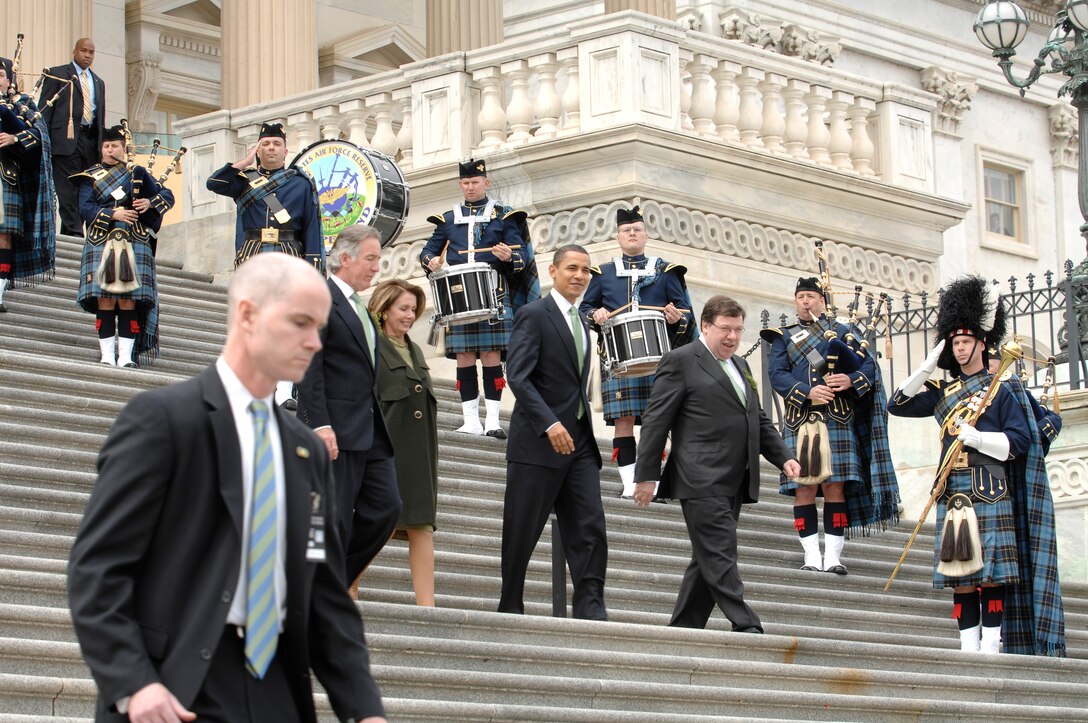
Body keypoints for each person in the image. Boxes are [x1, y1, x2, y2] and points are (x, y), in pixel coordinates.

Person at [67, 253, 387, 723]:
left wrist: (365, 711)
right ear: (247, 314)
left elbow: (324, 593)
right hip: (176, 690)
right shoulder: (162, 421)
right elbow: (97, 569)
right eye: (300, 322)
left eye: (319, 327)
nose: (314, 343)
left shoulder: (307, 451)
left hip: (278, 690)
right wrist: (134, 684)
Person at [888, 275, 1065, 656]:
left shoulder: (1002, 388)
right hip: (954, 490)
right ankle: (968, 647)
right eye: (955, 343)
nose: (961, 348)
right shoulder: (942, 393)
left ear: (982, 343)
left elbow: (1020, 441)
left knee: (992, 576)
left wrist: (979, 439)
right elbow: (897, 404)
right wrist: (926, 366)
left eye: (966, 341)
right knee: (961, 575)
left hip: (991, 487)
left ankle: (992, 644)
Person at [634, 295, 800, 633]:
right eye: (725, 329)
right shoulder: (680, 360)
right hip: (699, 477)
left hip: (735, 477)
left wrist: (784, 457)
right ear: (706, 325)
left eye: (739, 329)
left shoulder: (741, 365)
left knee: (707, 556)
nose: (733, 337)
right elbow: (655, 420)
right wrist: (647, 475)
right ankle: (745, 622)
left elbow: (758, 417)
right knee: (720, 550)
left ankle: (684, 626)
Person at [760, 277, 899, 575]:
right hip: (803, 419)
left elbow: (869, 368)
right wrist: (807, 391)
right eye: (800, 297)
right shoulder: (784, 336)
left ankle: (833, 557)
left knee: (835, 487)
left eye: (811, 296)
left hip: (837, 417)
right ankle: (811, 555)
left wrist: (849, 380)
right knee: (804, 487)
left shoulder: (844, 332)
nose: (805, 301)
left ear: (823, 301)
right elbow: (778, 375)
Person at [499, 244, 608, 620]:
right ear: (553, 271)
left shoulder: (583, 321)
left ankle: (591, 607)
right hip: (537, 443)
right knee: (522, 528)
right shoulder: (534, 315)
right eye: (572, 268)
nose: (579, 276)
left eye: (585, 271)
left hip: (579, 444)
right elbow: (519, 376)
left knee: (590, 526)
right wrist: (549, 422)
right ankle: (510, 602)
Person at [296, 225, 401, 599]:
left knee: (386, 509)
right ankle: (319, 592)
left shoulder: (360, 306)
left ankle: (333, 583)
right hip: (335, 431)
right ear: (345, 258)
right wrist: (319, 424)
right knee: (335, 518)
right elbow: (308, 364)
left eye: (378, 259)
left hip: (369, 431)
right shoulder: (319, 298)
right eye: (371, 258)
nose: (377, 267)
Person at [579, 205, 695, 498]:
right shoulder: (603, 273)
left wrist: (676, 316)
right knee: (624, 420)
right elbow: (584, 310)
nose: (632, 233)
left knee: (658, 421)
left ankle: (652, 481)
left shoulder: (666, 271)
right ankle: (630, 482)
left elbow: (686, 313)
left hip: (660, 358)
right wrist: (597, 315)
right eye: (626, 230)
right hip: (619, 359)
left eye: (637, 229)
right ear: (617, 236)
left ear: (646, 235)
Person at [420, 158, 540, 438]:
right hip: (460, 299)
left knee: (491, 356)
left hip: (494, 295)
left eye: (475, 182)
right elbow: (427, 251)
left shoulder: (504, 216)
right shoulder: (448, 220)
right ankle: (471, 420)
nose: (470, 187)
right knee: (463, 357)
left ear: (486, 183)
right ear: (460, 185)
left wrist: (510, 256)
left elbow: (521, 253)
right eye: (465, 182)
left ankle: (493, 421)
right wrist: (431, 262)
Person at [73, 124, 174, 367]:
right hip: (102, 239)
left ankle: (126, 357)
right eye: (106, 146)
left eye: (114, 146)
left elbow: (167, 196)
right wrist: (113, 214)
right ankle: (108, 355)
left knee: (129, 300)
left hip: (134, 239)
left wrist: (149, 204)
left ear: (123, 148)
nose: (110, 151)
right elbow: (85, 208)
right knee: (105, 298)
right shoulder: (90, 176)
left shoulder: (136, 173)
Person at [368, 279, 439, 607]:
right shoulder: (371, 346)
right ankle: (346, 590)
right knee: (376, 525)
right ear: (383, 310)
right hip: (387, 450)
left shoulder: (414, 349)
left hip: (420, 454)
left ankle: (428, 606)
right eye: (403, 309)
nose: (411, 315)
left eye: (414, 309)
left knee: (422, 526)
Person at [206, 121, 324, 272]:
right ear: (257, 150)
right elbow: (214, 183)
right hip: (252, 254)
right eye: (265, 143)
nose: (271, 147)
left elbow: (310, 227)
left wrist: (313, 268)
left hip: (289, 254)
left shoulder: (300, 184)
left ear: (285, 152)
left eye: (277, 143)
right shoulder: (244, 181)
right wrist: (245, 162)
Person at [0, 57, 56, 312]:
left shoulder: (22, 104)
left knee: (4, 237)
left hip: (7, 177)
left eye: (1, 74)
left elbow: (40, 136)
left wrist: (14, 138)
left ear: (9, 79)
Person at [39, 38, 104, 237]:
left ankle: (71, 232)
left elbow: (99, 116)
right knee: (67, 189)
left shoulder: (98, 82)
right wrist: (44, 142)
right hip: (64, 140)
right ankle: (75, 233)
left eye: (91, 52)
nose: (87, 55)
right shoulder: (57, 74)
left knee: (85, 188)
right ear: (74, 51)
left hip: (90, 141)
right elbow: (44, 111)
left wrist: (101, 145)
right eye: (84, 50)